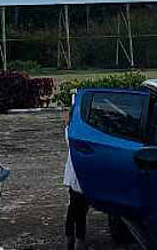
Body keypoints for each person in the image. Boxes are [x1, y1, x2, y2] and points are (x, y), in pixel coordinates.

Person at [64, 96, 89, 250]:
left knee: (73, 208)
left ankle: (72, 238)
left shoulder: (70, 130)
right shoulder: (75, 132)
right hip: (80, 176)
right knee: (79, 210)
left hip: (76, 176)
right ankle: (77, 239)